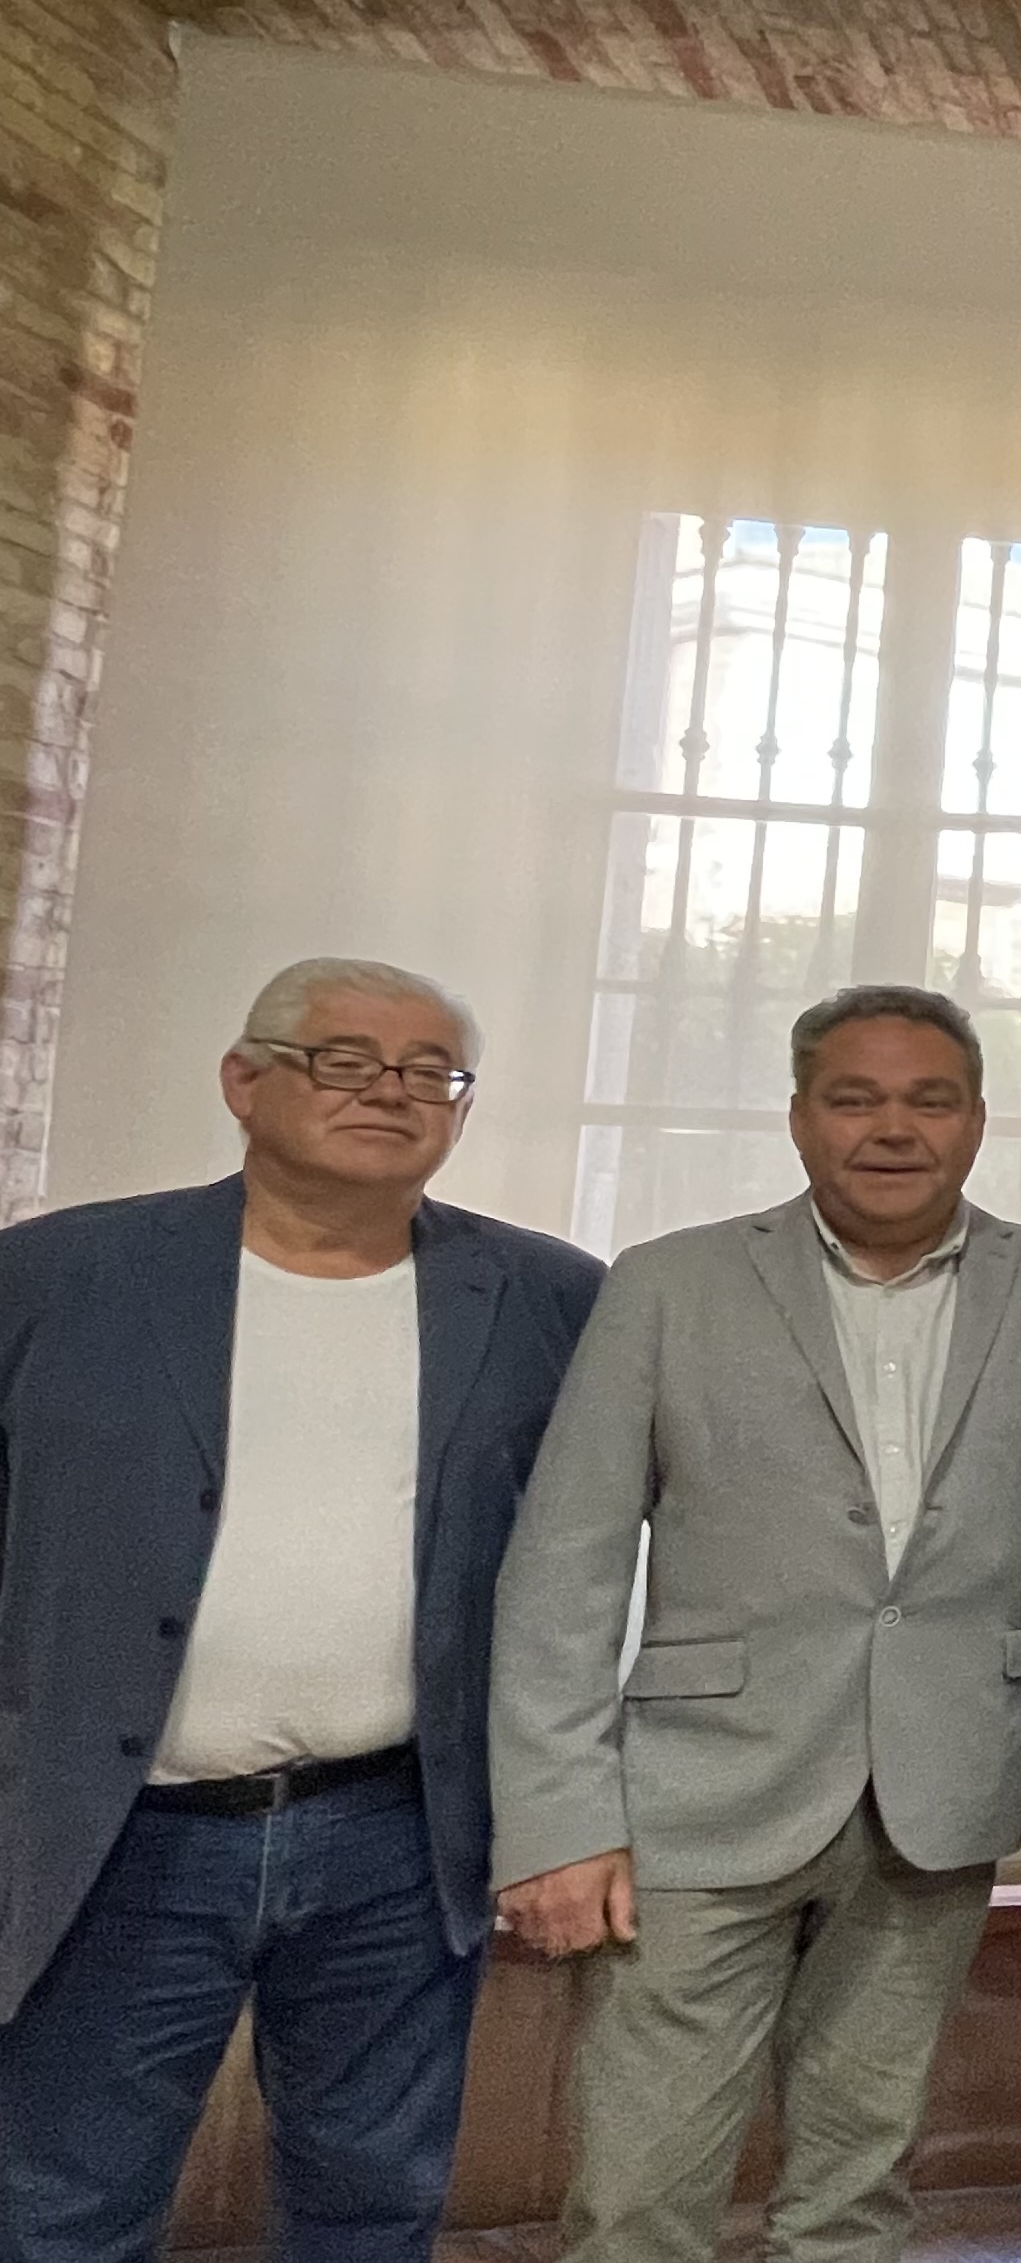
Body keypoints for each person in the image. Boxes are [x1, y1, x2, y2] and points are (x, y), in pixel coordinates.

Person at [487, 984, 1021, 2263]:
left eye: (928, 1100)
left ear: (978, 1121)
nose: (892, 1130)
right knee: (636, 2201)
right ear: (798, 1119)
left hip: (944, 1799)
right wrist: (559, 1818)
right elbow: (563, 1565)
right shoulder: (668, 1286)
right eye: (855, 1098)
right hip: (695, 1805)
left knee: (857, 2196)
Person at [0, 959, 601, 2263]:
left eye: (428, 1070)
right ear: (245, 1080)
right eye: (343, 1058)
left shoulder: (550, 1300)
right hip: (116, 1843)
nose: (389, 1090)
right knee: (59, 2209)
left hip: (397, 1837)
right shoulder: (53, 1280)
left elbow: (596, 1559)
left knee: (371, 2209)